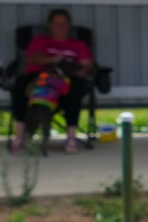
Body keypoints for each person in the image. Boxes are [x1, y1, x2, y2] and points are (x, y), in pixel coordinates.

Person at [9, 8, 94, 153]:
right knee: (20, 84)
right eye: (56, 24)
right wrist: (53, 60)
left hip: (65, 78)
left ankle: (71, 138)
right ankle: (20, 136)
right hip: (39, 78)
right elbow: (34, 57)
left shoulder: (78, 45)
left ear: (69, 25)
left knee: (75, 89)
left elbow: (87, 64)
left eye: (64, 23)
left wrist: (79, 69)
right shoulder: (40, 41)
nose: (60, 27)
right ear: (50, 26)